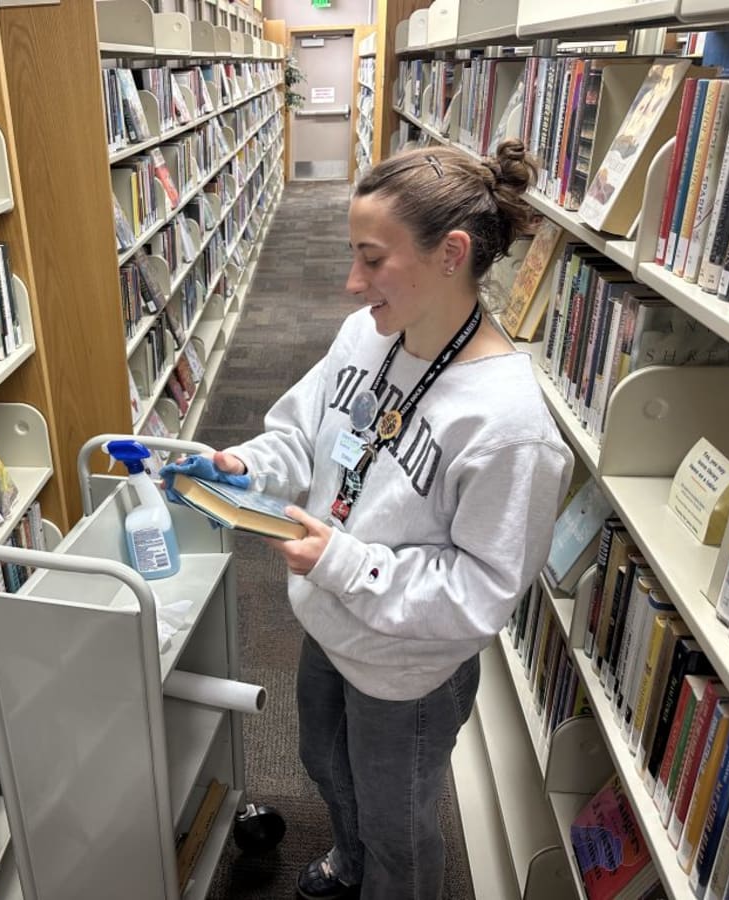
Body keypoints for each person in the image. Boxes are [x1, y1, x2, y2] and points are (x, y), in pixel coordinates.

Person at [163, 139, 573, 900]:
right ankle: (350, 861)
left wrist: (345, 563)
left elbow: (482, 591)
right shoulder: (368, 335)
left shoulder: (510, 428)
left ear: (451, 254)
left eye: (373, 259)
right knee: (324, 763)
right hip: (331, 620)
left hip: (408, 668)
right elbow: (305, 431)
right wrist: (248, 467)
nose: (353, 283)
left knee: (398, 822)